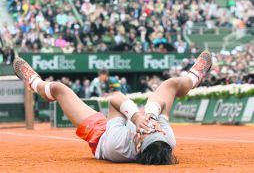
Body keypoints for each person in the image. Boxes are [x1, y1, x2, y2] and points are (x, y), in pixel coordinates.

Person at [13, 50, 212, 165]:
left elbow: (115, 100)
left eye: (145, 132)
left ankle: (36, 84)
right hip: (131, 127)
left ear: (137, 144)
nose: (151, 127)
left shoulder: (118, 146)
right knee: (170, 85)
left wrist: (134, 117)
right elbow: (160, 103)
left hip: (102, 134)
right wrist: (151, 114)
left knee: (58, 89)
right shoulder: (166, 139)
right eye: (155, 129)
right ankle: (194, 77)